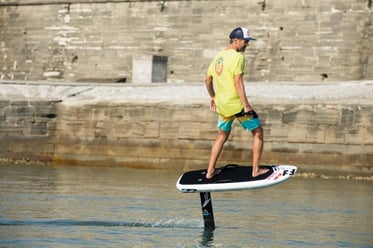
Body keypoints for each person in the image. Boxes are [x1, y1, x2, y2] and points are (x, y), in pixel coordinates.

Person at [204, 27, 268, 179]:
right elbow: (238, 82)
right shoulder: (238, 57)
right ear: (236, 41)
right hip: (236, 105)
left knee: (222, 135)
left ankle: (210, 171)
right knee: (258, 132)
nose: (247, 44)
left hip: (222, 105)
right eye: (245, 41)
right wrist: (246, 105)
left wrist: (212, 96)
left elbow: (207, 79)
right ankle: (255, 170)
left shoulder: (218, 56)